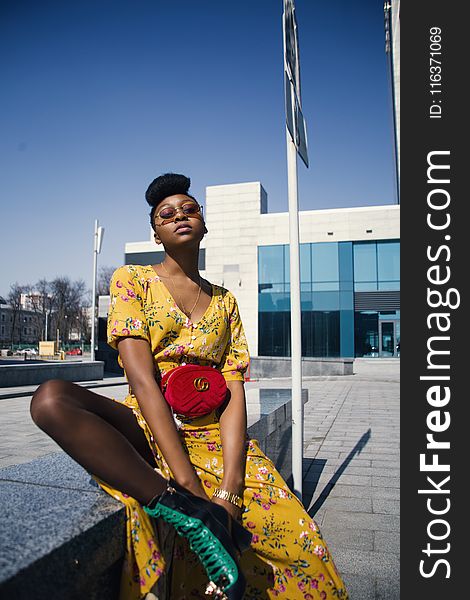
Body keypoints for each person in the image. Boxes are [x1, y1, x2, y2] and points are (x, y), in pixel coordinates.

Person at [30, 173, 349, 600]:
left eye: (189, 209)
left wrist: (230, 491)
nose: (179, 215)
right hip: (147, 425)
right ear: (156, 232)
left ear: (203, 224)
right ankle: (182, 508)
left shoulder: (225, 302)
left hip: (213, 435)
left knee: (299, 542)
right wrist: (195, 493)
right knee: (50, 399)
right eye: (166, 214)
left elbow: (234, 391)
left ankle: (206, 519)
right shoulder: (133, 280)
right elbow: (142, 380)